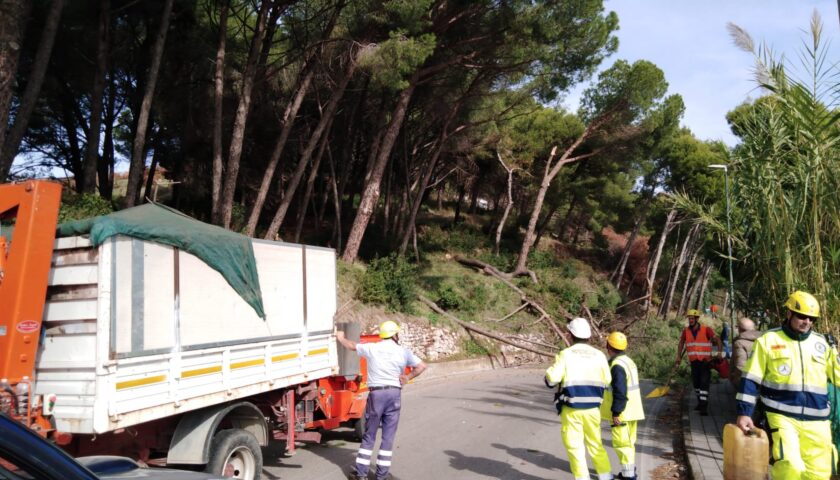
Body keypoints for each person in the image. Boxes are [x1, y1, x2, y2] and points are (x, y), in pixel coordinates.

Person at [735, 291, 840, 480]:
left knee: (820, 473)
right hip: (781, 416)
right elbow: (750, 379)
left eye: (812, 318)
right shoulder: (768, 340)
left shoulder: (822, 344)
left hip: (818, 421)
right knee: (789, 467)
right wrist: (744, 412)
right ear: (789, 313)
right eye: (802, 316)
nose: (807, 321)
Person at [336, 321, 427, 480]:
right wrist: (407, 377)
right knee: (388, 437)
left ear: (383, 335)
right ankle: (381, 476)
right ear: (395, 335)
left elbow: (351, 346)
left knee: (369, 435)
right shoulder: (403, 352)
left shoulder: (373, 347)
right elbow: (421, 366)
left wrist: (341, 338)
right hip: (394, 394)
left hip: (377, 395)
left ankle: (361, 474)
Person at [545, 317, 613, 480]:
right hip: (593, 410)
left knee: (575, 447)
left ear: (569, 335)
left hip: (572, 409)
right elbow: (608, 380)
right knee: (595, 444)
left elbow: (551, 379)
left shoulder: (565, 354)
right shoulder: (599, 355)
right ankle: (606, 476)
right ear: (588, 337)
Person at [601, 332, 644, 480]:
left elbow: (620, 391)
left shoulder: (617, 366)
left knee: (621, 444)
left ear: (609, 346)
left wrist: (616, 412)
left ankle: (629, 475)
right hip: (633, 410)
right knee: (629, 443)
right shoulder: (628, 361)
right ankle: (629, 470)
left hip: (623, 412)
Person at [674, 309, 723, 416]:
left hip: (706, 362)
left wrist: (719, 353)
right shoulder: (686, 331)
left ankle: (703, 407)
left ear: (697, 319)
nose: (690, 320)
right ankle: (700, 402)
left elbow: (718, 340)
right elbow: (681, 343)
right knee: (696, 384)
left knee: (704, 383)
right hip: (694, 362)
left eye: (692, 318)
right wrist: (678, 356)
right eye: (689, 318)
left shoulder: (706, 330)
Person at [729, 317, 760, 389]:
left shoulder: (739, 343)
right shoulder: (764, 339)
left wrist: (733, 378)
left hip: (746, 382)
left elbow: (740, 366)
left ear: (740, 329)